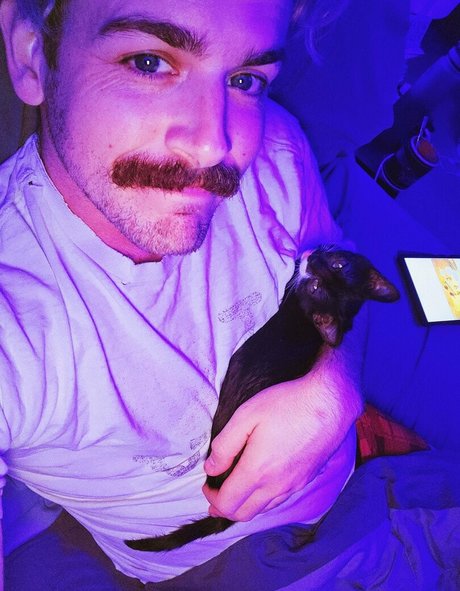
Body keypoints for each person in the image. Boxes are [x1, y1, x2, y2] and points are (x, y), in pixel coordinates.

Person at [0, 0, 362, 587]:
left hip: (357, 471)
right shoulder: (16, 312)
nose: (213, 145)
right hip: (217, 564)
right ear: (32, 54)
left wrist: (337, 381)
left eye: (245, 80)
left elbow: (337, 265)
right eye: (148, 62)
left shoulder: (276, 144)